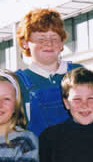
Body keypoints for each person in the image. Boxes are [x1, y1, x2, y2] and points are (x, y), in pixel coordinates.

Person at [15, 8, 82, 137]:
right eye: (41, 39)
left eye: (54, 38)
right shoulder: (18, 82)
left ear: (62, 43)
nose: (49, 44)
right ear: (25, 43)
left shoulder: (78, 72)